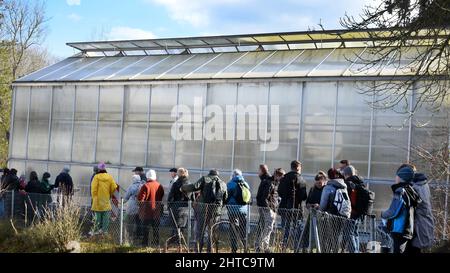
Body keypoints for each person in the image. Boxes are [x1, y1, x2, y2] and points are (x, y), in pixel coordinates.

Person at [181, 169, 228, 253]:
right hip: (216, 212)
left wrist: (183, 187)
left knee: (200, 232)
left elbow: (194, 187)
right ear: (218, 175)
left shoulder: (204, 179)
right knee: (212, 232)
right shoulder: (223, 184)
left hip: (203, 210)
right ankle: (210, 251)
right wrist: (219, 208)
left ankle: (198, 250)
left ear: (209, 174)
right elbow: (225, 199)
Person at [381, 166, 422, 253]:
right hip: (407, 229)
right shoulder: (411, 191)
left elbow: (393, 211)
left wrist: (383, 214)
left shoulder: (400, 191)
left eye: (397, 176)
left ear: (401, 177)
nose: (395, 178)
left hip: (398, 229)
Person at [397, 164, 435, 253]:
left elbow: (403, 210)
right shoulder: (422, 185)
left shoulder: (414, 188)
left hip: (416, 231)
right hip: (422, 228)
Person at [278, 160, 307, 250]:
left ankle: (283, 247)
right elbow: (304, 196)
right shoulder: (301, 179)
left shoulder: (284, 178)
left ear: (291, 167)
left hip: (284, 207)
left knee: (285, 229)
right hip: (296, 208)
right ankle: (296, 248)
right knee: (297, 229)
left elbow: (280, 192)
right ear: (298, 168)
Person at [255, 165, 282, 253]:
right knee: (268, 227)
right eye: (281, 176)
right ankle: (261, 245)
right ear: (277, 175)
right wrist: (268, 208)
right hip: (268, 208)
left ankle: (265, 246)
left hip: (270, 208)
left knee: (267, 227)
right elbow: (264, 197)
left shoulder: (272, 182)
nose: (282, 179)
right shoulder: (270, 183)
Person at [138, 169, 164, 247]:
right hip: (156, 211)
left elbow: (140, 199)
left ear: (147, 176)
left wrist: (140, 206)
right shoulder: (160, 185)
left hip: (147, 212)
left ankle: (145, 243)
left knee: (146, 228)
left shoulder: (145, 186)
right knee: (156, 228)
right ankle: (156, 243)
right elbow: (161, 196)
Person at [90, 162, 118, 236]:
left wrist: (94, 197)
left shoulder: (96, 177)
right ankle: (104, 231)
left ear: (99, 169)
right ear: (105, 168)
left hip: (97, 201)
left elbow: (93, 189)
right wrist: (110, 194)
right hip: (106, 199)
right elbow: (114, 187)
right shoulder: (110, 177)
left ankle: (96, 230)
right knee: (106, 217)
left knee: (97, 217)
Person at [226, 169, 250, 253]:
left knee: (233, 229)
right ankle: (245, 247)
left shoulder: (229, 184)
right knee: (243, 229)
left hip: (232, 210)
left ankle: (234, 249)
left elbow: (226, 197)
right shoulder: (246, 184)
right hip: (244, 210)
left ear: (233, 175)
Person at [167, 167, 191, 246]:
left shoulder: (175, 184)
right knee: (183, 226)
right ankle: (180, 242)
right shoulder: (189, 184)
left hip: (175, 207)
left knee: (175, 226)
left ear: (178, 174)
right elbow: (192, 197)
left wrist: (169, 206)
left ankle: (174, 241)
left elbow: (170, 197)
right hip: (185, 207)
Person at [124, 174, 144, 243]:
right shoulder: (142, 185)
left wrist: (123, 202)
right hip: (140, 205)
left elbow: (126, 196)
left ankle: (131, 234)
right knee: (139, 221)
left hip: (132, 205)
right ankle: (140, 234)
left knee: (131, 220)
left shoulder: (131, 186)